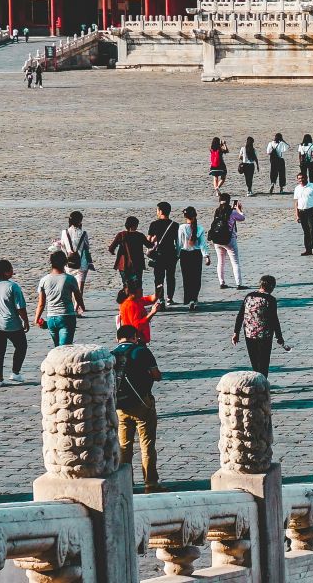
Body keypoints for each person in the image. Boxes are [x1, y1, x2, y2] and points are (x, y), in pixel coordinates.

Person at [112, 324, 163, 492]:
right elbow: (157, 375)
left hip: (120, 407)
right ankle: (150, 483)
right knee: (147, 445)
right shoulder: (141, 351)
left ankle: (126, 484)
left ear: (118, 338)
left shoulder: (112, 355)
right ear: (135, 336)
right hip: (142, 404)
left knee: (124, 447)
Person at [0, 260, 31, 387]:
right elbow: (20, 307)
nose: (12, 271)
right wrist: (26, 321)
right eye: (11, 269)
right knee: (21, 346)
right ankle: (15, 372)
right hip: (11, 324)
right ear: (6, 272)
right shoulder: (13, 287)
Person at [232, 275, 288, 375]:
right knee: (263, 361)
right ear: (271, 287)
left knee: (254, 360)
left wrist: (236, 332)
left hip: (249, 333)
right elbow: (274, 319)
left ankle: (256, 381)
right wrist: (279, 337)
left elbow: (240, 315)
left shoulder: (249, 296)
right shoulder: (270, 299)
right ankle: (262, 383)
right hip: (264, 335)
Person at [34, 250, 85, 347]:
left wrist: (37, 319)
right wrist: (82, 306)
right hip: (66, 317)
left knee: (57, 348)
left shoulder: (44, 280)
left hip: (51, 319)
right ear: (65, 262)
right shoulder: (69, 279)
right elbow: (78, 296)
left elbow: (41, 303)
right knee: (64, 348)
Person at [146, 203, 182, 310]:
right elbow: (178, 242)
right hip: (171, 254)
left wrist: (152, 243)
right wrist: (178, 254)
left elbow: (148, 241)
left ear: (160, 211)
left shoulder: (154, 224)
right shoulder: (175, 225)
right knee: (171, 277)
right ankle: (169, 298)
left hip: (158, 255)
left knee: (158, 278)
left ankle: (160, 298)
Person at [108, 215, 151, 297]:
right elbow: (149, 245)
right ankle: (138, 302)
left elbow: (111, 248)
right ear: (136, 225)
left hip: (124, 265)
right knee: (138, 283)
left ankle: (127, 302)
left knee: (126, 283)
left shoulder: (121, 235)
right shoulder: (140, 235)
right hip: (137, 264)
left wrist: (113, 252)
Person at [209, 195, 244, 289]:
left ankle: (222, 283)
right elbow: (242, 218)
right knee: (235, 262)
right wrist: (239, 210)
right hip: (229, 240)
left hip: (217, 240)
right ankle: (239, 284)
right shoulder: (232, 212)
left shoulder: (217, 211)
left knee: (220, 262)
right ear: (229, 202)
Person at [57, 211, 94, 294]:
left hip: (69, 263)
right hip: (82, 264)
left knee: (70, 287)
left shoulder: (64, 232)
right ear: (80, 221)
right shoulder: (83, 233)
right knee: (80, 289)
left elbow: (63, 246)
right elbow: (87, 247)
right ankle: (77, 306)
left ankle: (73, 306)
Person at [176, 207, 206, 310]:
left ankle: (188, 299)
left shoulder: (182, 228)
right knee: (196, 278)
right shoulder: (200, 228)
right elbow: (203, 244)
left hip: (185, 254)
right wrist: (206, 256)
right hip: (196, 254)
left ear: (185, 216)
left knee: (187, 278)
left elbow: (179, 243)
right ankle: (194, 298)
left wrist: (177, 254)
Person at [292, 174, 313, 256]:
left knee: (312, 229)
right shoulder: (297, 188)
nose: (301, 180)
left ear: (306, 178)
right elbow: (296, 202)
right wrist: (297, 215)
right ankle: (308, 249)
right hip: (302, 211)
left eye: (302, 178)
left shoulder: (312, 186)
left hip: (311, 210)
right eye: (299, 179)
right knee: (306, 231)